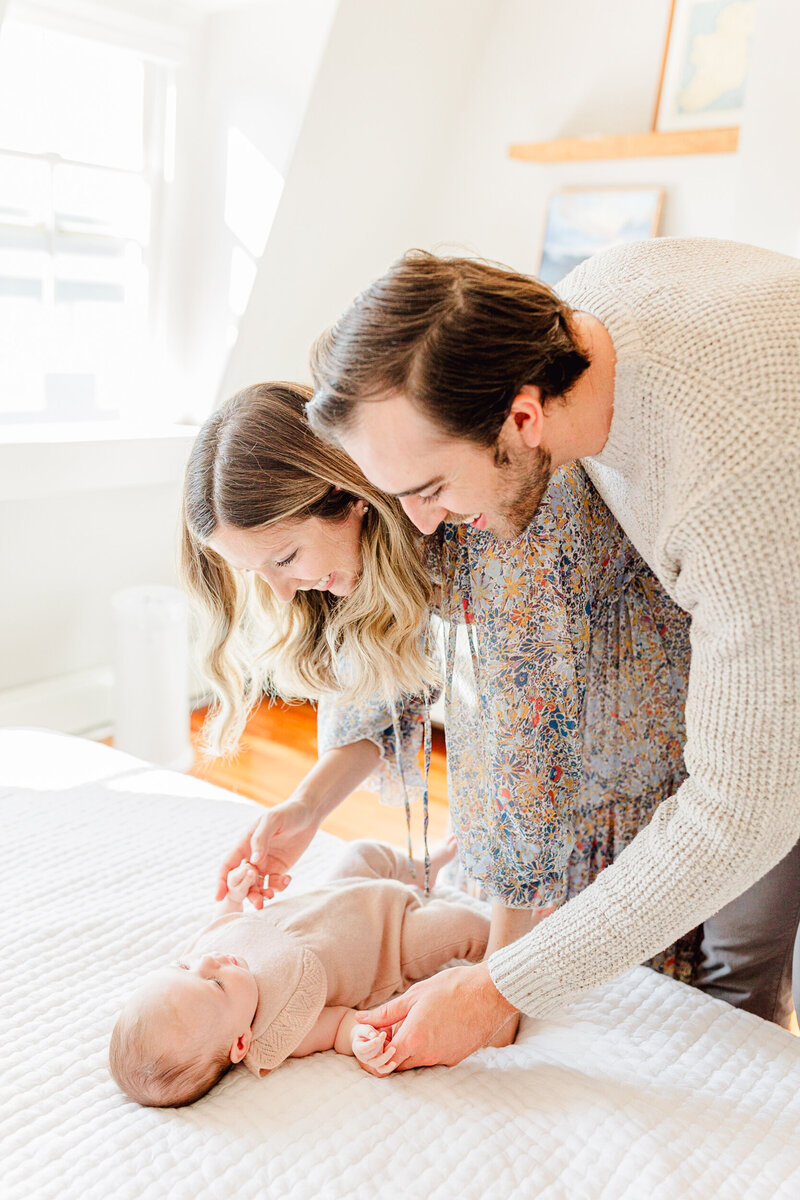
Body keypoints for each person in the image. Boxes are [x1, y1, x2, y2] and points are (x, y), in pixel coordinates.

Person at [306, 238, 800, 1068]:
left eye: (430, 489)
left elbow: (740, 809)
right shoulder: (587, 304)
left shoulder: (733, 487)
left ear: (522, 419)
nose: (423, 524)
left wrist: (500, 987)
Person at [184, 381, 697, 1013]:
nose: (284, 592)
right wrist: (305, 808)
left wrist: (498, 993)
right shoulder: (386, 541)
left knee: (677, 1007)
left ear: (351, 498)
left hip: (650, 776)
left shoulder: (503, 515)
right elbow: (384, 698)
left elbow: (526, 751)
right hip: (545, 790)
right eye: (257, 572)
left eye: (286, 557)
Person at [109, 837, 488, 1106]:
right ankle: (513, 943)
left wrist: (236, 896)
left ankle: (421, 872)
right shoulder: (278, 1028)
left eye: (184, 966)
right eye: (214, 983)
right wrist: (360, 1040)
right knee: (462, 925)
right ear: (241, 1043)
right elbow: (339, 1025)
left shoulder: (204, 959)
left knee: (362, 851)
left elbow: (224, 923)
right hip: (390, 943)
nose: (209, 961)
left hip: (337, 894)